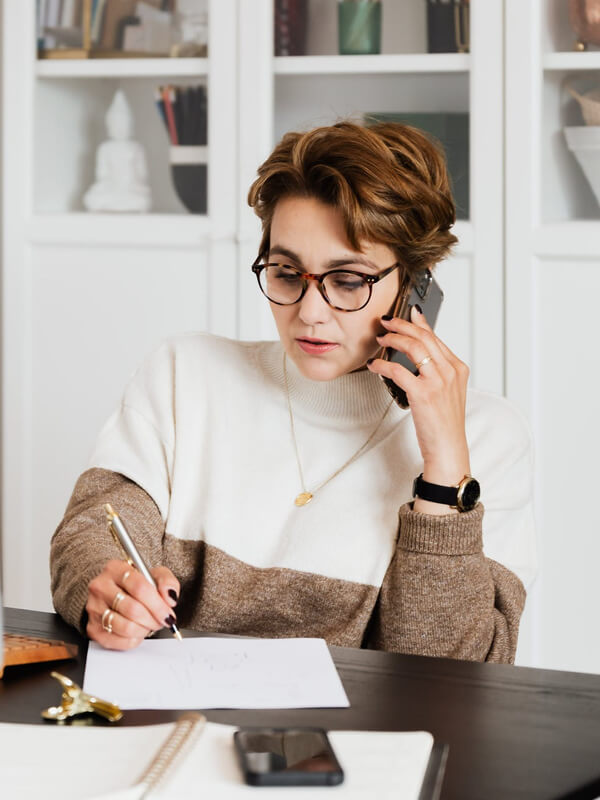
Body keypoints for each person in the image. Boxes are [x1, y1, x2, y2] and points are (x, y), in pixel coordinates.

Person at [51, 121, 535, 663]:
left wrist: (445, 474)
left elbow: (452, 674)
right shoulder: (184, 374)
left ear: (417, 284)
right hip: (171, 725)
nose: (309, 313)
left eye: (348, 281)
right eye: (286, 272)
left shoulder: (488, 438)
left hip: (358, 745)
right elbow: (92, 536)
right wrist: (108, 586)